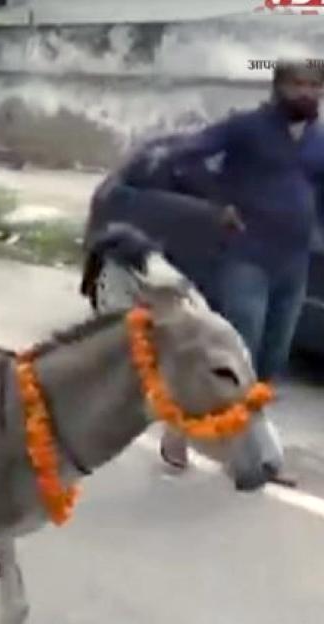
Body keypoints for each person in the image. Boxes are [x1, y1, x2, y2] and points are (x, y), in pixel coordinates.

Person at [158, 59, 324, 485]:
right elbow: (184, 157)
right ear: (277, 88)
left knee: (270, 362)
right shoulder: (246, 128)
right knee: (234, 360)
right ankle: (179, 430)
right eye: (297, 84)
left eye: (315, 85)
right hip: (247, 259)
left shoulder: (317, 141)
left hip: (293, 264)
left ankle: (257, 453)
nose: (307, 93)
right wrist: (218, 205)